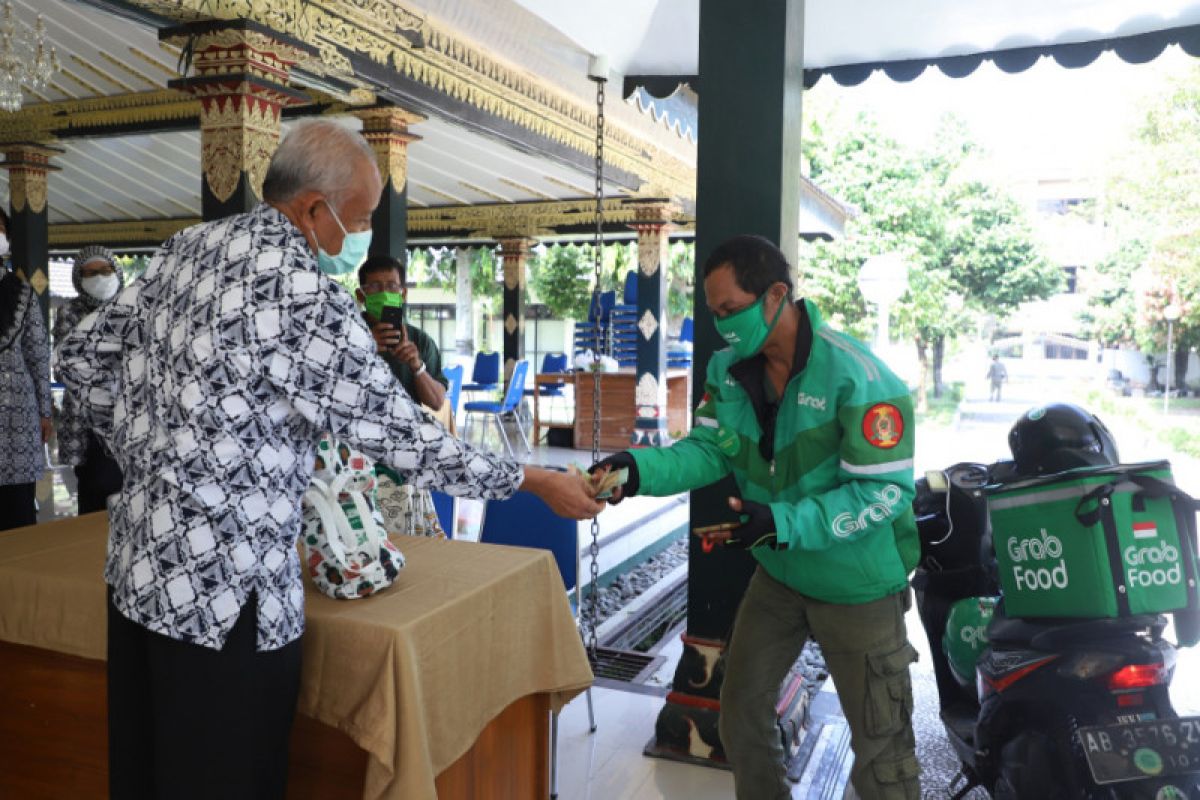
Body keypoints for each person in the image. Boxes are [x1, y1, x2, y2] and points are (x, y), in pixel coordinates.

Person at [55, 118, 604, 800]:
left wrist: (148, 447)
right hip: (229, 597)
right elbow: (402, 438)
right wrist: (531, 478)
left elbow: (79, 356)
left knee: (144, 774)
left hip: (139, 574)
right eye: (364, 217)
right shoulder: (303, 296)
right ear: (314, 209)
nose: (366, 234)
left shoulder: (186, 249)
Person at [592, 235, 921, 800]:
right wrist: (636, 470)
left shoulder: (859, 378)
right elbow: (709, 450)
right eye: (715, 314)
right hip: (781, 576)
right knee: (739, 711)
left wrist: (783, 523)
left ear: (776, 295)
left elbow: (883, 494)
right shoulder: (728, 371)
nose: (723, 327)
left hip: (857, 582)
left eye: (732, 311)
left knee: (882, 748)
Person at [52, 246, 126, 514]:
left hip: (130, 420)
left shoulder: (134, 308)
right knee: (95, 495)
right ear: (79, 278)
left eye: (106, 270)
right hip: (88, 422)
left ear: (117, 272)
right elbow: (65, 365)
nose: (100, 277)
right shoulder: (70, 313)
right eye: (91, 272)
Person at [0, 207, 52, 531]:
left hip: (17, 416)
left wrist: (45, 411)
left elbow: (37, 354)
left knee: (17, 511)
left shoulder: (21, 292)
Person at [355, 254, 447, 411]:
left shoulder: (420, 340)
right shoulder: (348, 333)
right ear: (360, 295)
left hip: (405, 430)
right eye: (375, 287)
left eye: (392, 286)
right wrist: (365, 348)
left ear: (403, 294)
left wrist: (417, 366)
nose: (384, 293)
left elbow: (437, 402)